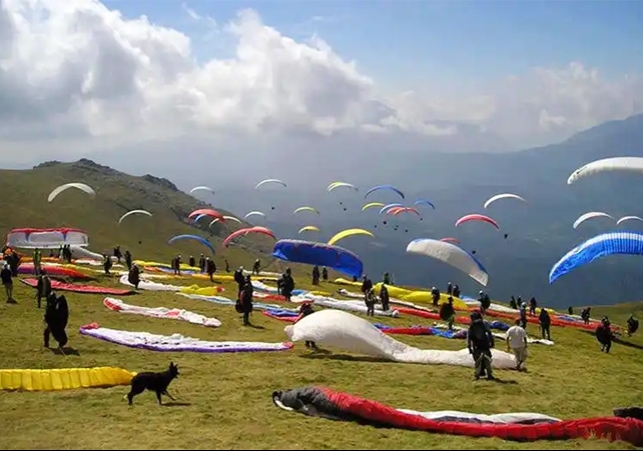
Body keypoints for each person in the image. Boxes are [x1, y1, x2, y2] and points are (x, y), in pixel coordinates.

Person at [467, 311, 495, 380]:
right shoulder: (482, 324)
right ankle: (488, 374)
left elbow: (469, 337)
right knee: (486, 360)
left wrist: (469, 347)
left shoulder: (472, 326)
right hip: (483, 345)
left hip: (477, 346)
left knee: (478, 361)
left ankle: (478, 375)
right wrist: (492, 342)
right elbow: (489, 333)